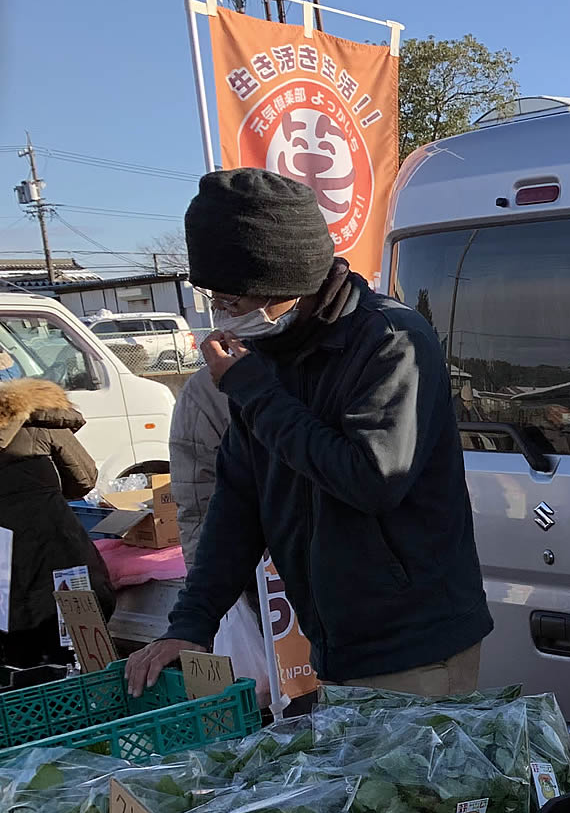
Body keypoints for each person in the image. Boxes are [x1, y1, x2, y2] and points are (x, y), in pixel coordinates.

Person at [125, 169, 491, 698]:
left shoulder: (391, 342)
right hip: (333, 642)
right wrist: (192, 623)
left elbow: (371, 478)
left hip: (417, 644)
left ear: (283, 282)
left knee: (418, 782)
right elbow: (238, 502)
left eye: (233, 301)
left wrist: (255, 393)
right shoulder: (271, 359)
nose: (224, 315)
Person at [168, 365, 276, 706]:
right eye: (224, 306)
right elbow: (205, 504)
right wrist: (203, 606)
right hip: (265, 582)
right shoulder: (208, 389)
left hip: (316, 587)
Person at [0, 378, 113, 670]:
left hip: (4, 560)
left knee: (17, 658)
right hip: (58, 546)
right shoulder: (44, 426)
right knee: (81, 648)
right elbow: (85, 479)